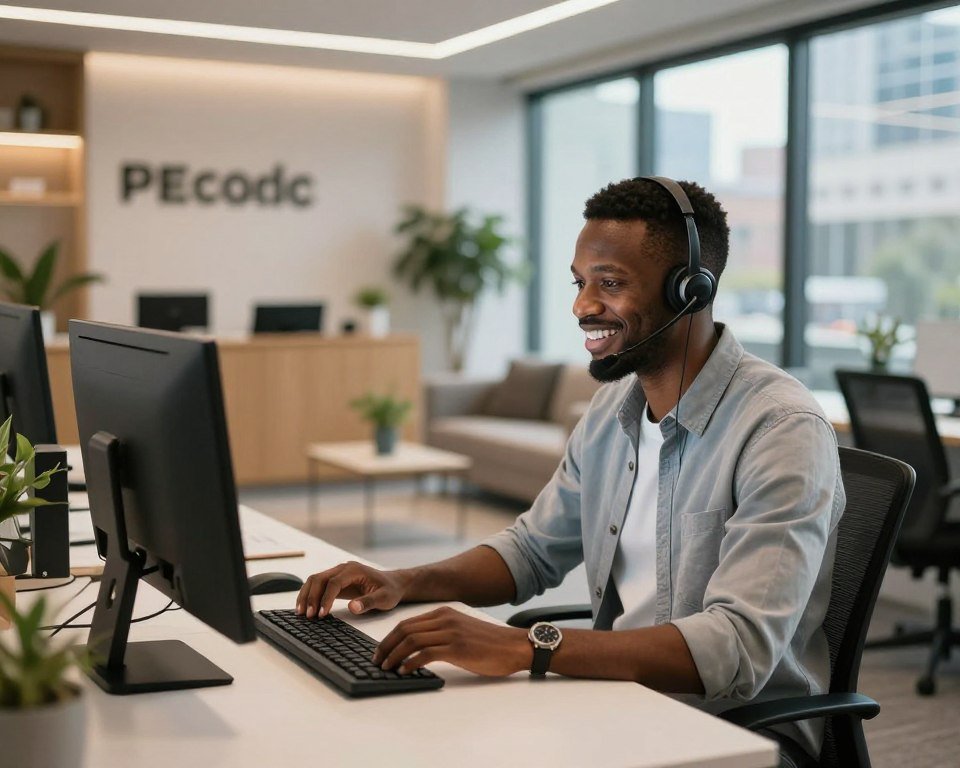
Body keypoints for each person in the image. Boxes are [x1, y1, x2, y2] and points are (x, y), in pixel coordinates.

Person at [297, 177, 844, 766]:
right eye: (581, 283)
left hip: (735, 732)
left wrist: (524, 646)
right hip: (619, 702)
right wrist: (406, 580)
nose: (583, 306)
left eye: (610, 283)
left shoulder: (781, 429)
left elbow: (737, 648)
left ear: (691, 291)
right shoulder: (613, 408)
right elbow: (532, 550)